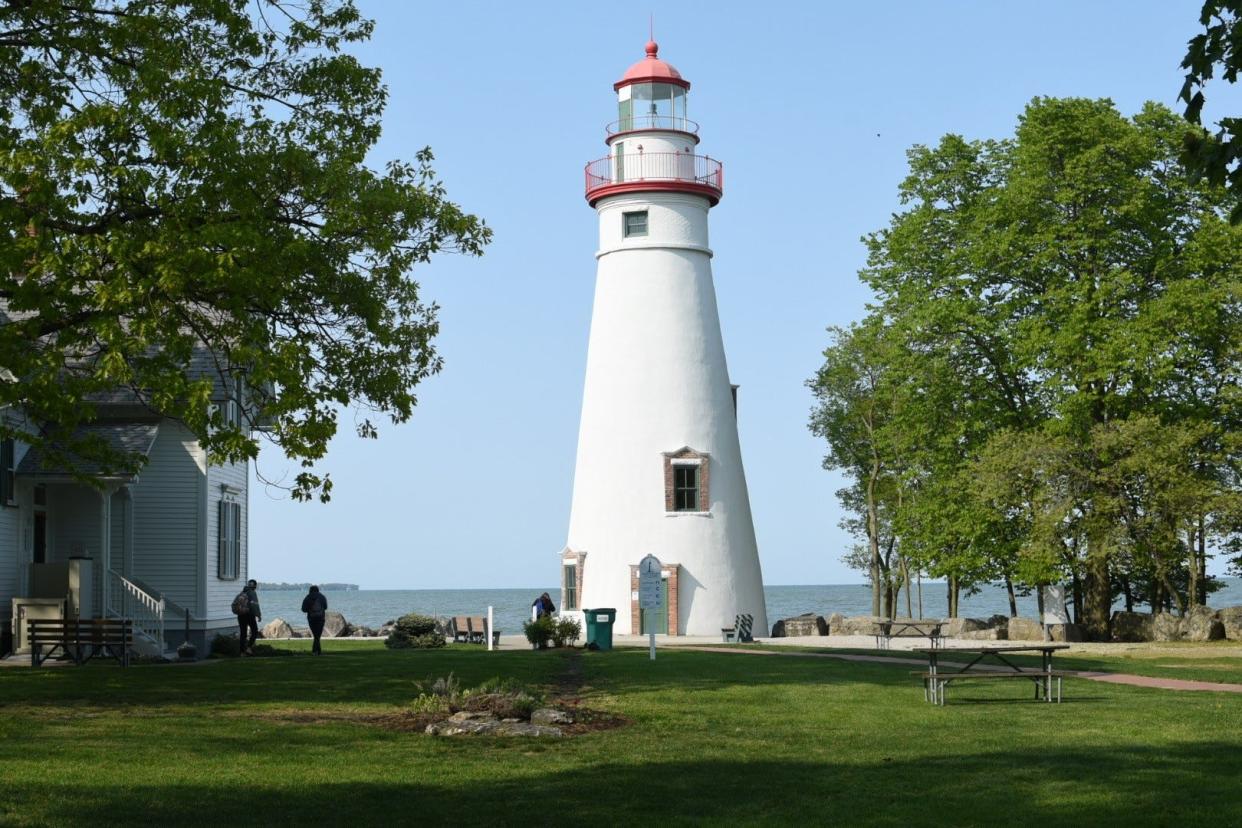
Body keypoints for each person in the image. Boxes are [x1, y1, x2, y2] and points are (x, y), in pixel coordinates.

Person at [301, 585, 328, 655]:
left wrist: (310, 608)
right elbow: (325, 607)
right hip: (321, 618)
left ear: (310, 590)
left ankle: (315, 651)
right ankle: (317, 651)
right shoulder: (322, 597)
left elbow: (303, 609)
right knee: (317, 635)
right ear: (318, 590)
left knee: (316, 635)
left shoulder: (308, 597)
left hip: (311, 618)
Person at [237, 579, 261, 655]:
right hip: (249, 615)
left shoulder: (242, 592)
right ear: (255, 586)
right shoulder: (252, 593)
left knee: (243, 634)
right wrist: (259, 615)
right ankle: (248, 648)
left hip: (241, 615)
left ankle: (241, 652)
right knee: (255, 631)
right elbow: (255, 605)